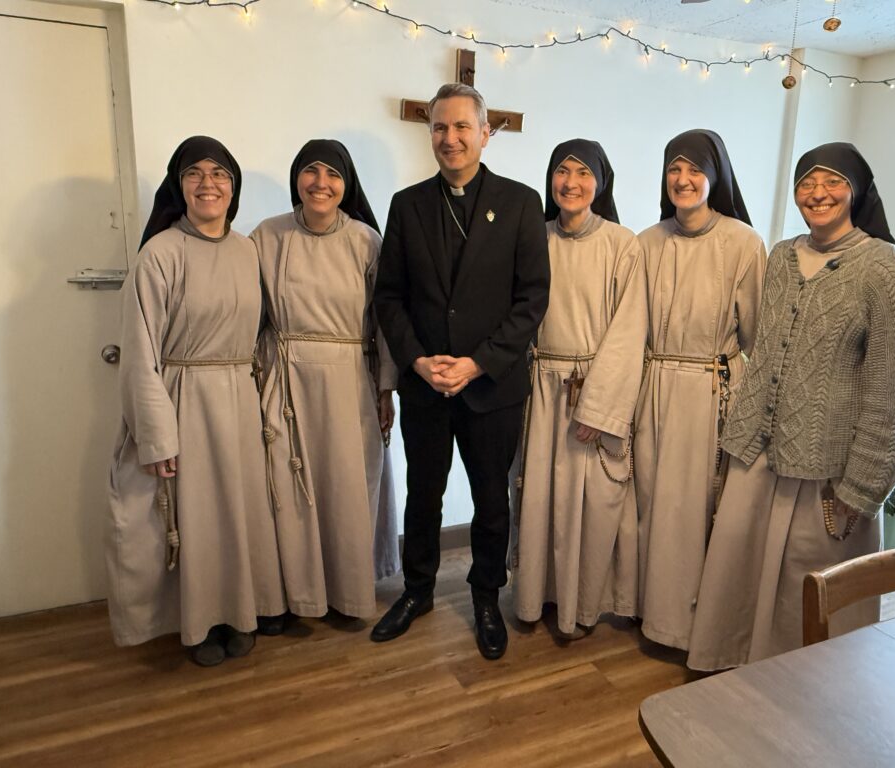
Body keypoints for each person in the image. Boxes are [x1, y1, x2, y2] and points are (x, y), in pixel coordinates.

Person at [688, 142, 895, 671]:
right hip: (760, 456)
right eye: (806, 183)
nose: (817, 193)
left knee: (809, 586)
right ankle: (735, 668)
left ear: (857, 190)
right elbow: (767, 348)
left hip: (829, 469)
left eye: (832, 181)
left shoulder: (886, 270)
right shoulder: (781, 256)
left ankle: (809, 688)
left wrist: (865, 483)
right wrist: (739, 439)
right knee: (739, 569)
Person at [372, 83, 550, 659]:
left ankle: (484, 595)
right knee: (422, 494)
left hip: (492, 385)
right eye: (440, 129)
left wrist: (476, 363)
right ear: (430, 135)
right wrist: (418, 362)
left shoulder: (522, 203)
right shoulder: (406, 204)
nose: (451, 138)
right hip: (425, 385)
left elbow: (532, 300)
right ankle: (417, 589)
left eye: (461, 128)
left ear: (484, 133)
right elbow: (389, 298)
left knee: (491, 499)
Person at [105, 136, 286, 666]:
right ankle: (199, 624)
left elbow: (267, 332)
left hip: (240, 400)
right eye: (195, 174)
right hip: (183, 400)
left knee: (240, 514)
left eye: (220, 174)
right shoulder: (159, 253)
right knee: (195, 518)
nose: (208, 184)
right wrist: (156, 433)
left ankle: (242, 613)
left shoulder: (248, 251)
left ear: (234, 188)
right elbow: (140, 352)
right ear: (178, 184)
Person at [250, 139, 399, 627]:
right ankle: (293, 595)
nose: (321, 183)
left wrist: (385, 388)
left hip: (349, 381)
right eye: (310, 172)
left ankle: (347, 594)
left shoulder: (365, 241)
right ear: (297, 178)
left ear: (346, 184)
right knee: (286, 488)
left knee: (346, 486)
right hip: (286, 377)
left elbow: (385, 321)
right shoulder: (266, 237)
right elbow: (249, 316)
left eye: (332, 174)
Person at [634, 129, 766, 651]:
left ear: (715, 177)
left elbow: (758, 337)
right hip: (654, 386)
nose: (683, 180)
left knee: (697, 510)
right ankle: (651, 615)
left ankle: (696, 624)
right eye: (674, 169)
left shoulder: (742, 243)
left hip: (712, 389)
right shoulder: (646, 241)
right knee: (651, 503)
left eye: (694, 170)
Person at [511, 139, 646, 635]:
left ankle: (581, 608)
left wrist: (599, 407)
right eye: (561, 172)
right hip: (538, 388)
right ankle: (535, 599)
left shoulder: (621, 244)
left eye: (583, 173)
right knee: (535, 498)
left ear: (600, 182)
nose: (570, 183)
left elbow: (630, 330)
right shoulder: (533, 236)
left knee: (587, 505)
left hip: (588, 390)